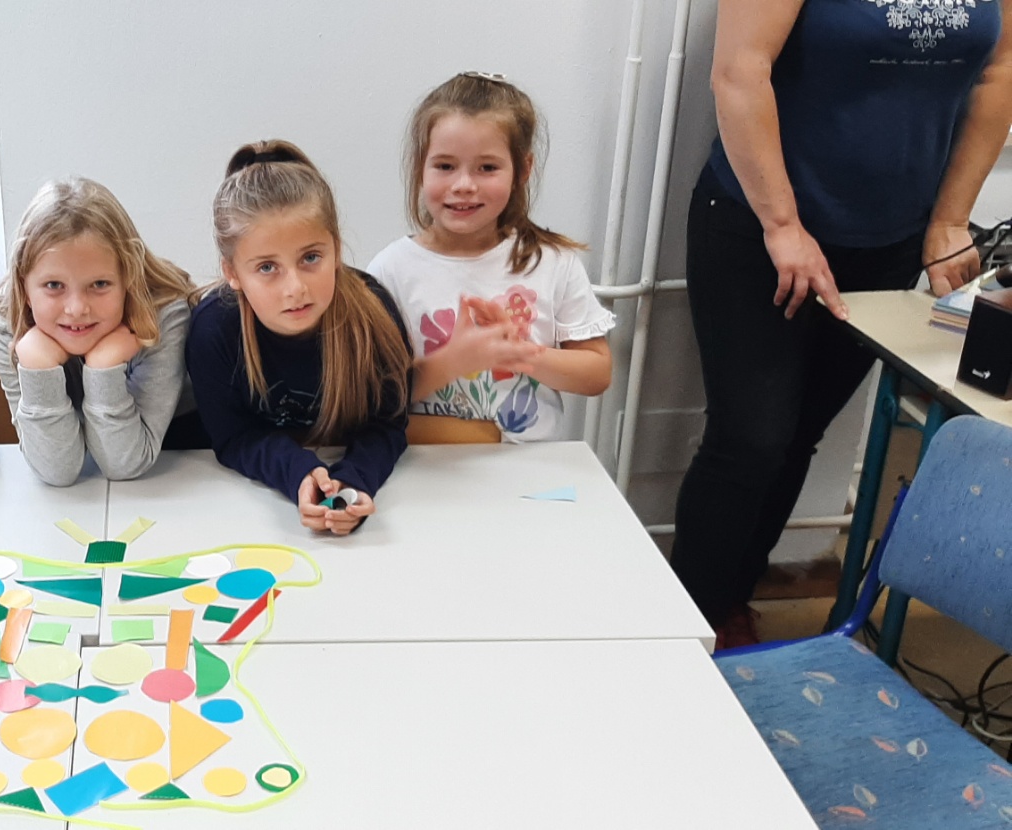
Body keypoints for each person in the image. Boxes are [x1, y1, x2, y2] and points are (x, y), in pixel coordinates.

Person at [671, 0, 1012, 649]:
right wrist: (782, 225)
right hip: (760, 226)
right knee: (751, 441)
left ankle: (729, 600)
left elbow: (1000, 71)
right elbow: (740, 72)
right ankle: (686, 626)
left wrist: (950, 218)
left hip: (890, 238)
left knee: (800, 434)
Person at [369, 72, 615, 445]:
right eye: (445, 166)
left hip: (528, 467)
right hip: (426, 466)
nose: (464, 185)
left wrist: (521, 353)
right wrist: (453, 360)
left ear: (522, 170)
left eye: (487, 168)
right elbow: (369, 398)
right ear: (420, 167)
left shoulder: (553, 262)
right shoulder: (390, 271)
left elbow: (597, 374)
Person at [187, 140, 415, 536]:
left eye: (311, 258)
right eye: (267, 267)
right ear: (232, 273)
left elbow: (388, 425)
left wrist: (355, 481)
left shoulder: (374, 314)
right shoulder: (213, 330)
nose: (295, 288)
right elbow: (233, 437)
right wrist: (298, 473)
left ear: (336, 250)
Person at [0, 177, 198, 485]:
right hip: (83, 470)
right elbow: (57, 471)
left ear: (128, 278)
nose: (76, 309)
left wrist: (102, 369)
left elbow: (125, 464)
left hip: (179, 456)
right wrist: (38, 369)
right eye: (54, 285)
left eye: (99, 284)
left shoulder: (162, 316)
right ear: (24, 287)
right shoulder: (10, 328)